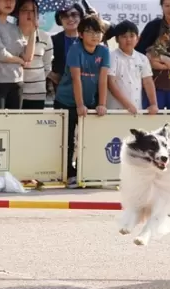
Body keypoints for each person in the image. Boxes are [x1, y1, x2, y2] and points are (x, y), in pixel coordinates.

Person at [54, 14, 110, 188]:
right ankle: (70, 175)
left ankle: (87, 173)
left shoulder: (104, 51)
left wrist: (102, 104)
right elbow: (76, 79)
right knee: (68, 140)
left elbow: (103, 80)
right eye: (89, 31)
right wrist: (79, 105)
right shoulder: (75, 49)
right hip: (67, 101)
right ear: (80, 34)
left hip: (91, 101)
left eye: (98, 31)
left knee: (90, 139)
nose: (94, 35)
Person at [0, 0, 35, 110]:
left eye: (12, 0)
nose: (8, 3)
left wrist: (33, 30)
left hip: (17, 82)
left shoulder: (14, 27)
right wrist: (19, 61)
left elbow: (27, 57)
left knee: (14, 125)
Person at [107, 20, 158, 114]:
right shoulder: (111, 56)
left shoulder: (142, 58)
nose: (128, 40)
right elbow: (111, 83)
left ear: (138, 38)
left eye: (132, 36)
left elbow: (148, 82)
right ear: (117, 39)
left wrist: (154, 104)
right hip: (115, 110)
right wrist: (128, 105)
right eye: (124, 36)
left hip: (136, 109)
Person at [16, 0, 53, 109]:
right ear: (17, 13)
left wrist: (37, 81)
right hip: (14, 92)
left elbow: (47, 66)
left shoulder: (45, 37)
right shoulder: (10, 34)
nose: (29, 14)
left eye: (33, 11)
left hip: (37, 92)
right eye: (24, 10)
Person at [48, 3, 85, 92]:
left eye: (74, 15)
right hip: (62, 91)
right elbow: (41, 62)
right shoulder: (52, 41)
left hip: (86, 89)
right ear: (60, 19)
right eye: (65, 16)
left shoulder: (88, 39)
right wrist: (52, 75)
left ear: (81, 17)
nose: (70, 19)